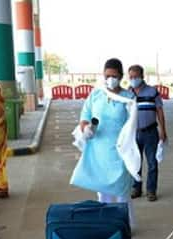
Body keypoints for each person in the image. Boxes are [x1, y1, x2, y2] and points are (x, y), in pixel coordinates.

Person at [72, 58, 139, 226]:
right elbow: (85, 116)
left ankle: (124, 226)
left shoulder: (129, 98)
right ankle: (108, 225)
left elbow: (132, 125)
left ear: (121, 76)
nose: (110, 79)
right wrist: (85, 128)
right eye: (107, 75)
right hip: (99, 151)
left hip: (120, 151)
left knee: (122, 193)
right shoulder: (96, 95)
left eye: (114, 75)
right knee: (103, 193)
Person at [128, 65, 168, 202]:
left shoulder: (152, 92)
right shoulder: (128, 93)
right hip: (133, 134)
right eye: (131, 77)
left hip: (151, 132)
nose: (133, 79)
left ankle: (151, 190)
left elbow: (160, 112)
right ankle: (136, 188)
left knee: (152, 163)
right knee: (135, 162)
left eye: (135, 76)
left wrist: (163, 130)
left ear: (142, 76)